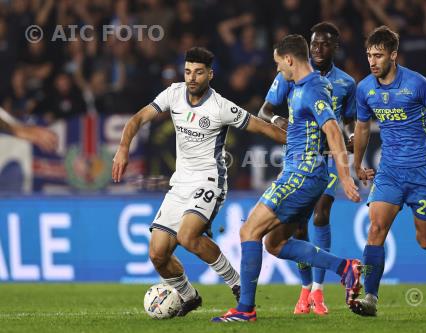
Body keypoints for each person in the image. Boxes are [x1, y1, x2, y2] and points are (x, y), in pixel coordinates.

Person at [112, 47, 287, 317]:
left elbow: (263, 128)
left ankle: (238, 284)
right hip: (179, 183)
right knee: (158, 254)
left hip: (210, 180)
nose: (192, 78)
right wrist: (123, 147)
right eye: (188, 71)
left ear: (210, 75)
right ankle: (188, 296)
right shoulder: (173, 93)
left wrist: (307, 141)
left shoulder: (221, 107)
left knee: (187, 236)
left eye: (199, 72)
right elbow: (138, 118)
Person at [212, 34, 362, 323]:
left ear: (290, 59)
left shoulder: (314, 88)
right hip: (305, 174)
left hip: (303, 173)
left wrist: (345, 176)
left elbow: (333, 130)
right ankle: (346, 268)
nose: (278, 69)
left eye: (279, 63)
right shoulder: (301, 87)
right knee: (275, 244)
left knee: (249, 232)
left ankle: (245, 309)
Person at [351, 26, 426, 316]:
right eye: (369, 55)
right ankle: (370, 298)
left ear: (393, 55)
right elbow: (362, 127)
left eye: (378, 55)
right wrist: (356, 164)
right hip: (390, 171)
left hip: (424, 171)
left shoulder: (417, 84)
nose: (372, 61)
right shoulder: (365, 88)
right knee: (376, 228)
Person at [258, 22, 356, 315]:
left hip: (325, 158)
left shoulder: (346, 84)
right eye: (314, 44)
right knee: (297, 227)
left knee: (321, 213)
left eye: (325, 44)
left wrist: (350, 138)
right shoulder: (293, 74)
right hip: (297, 159)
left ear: (335, 46)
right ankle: (304, 289)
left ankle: (318, 289)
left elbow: (348, 120)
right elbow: (265, 110)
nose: (318, 49)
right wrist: (277, 122)